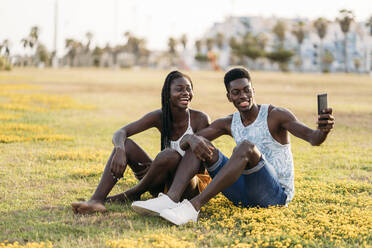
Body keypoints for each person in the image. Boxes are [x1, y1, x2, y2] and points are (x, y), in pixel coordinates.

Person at [131, 67, 335, 225]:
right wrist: (192, 139)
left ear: (253, 90)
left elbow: (313, 138)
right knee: (201, 143)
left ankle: (193, 208)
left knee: (245, 147)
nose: (242, 96)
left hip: (274, 195)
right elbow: (186, 144)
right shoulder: (229, 122)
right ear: (229, 97)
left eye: (246, 90)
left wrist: (323, 130)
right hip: (243, 194)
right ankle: (170, 199)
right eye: (236, 92)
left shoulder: (275, 115)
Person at [71, 70, 211, 214]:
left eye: (189, 89)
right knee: (127, 144)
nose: (185, 92)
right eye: (179, 89)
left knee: (169, 155)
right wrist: (120, 150)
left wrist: (159, 165)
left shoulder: (200, 119)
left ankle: (133, 193)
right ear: (167, 94)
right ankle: (96, 200)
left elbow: (200, 163)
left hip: (189, 187)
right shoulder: (160, 116)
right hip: (164, 184)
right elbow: (121, 132)